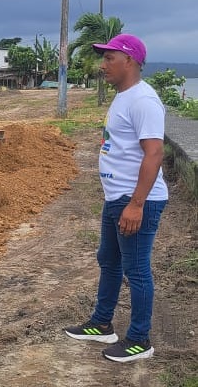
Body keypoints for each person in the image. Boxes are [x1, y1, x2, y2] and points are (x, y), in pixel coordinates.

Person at [64, 33, 168, 362]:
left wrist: (136, 205)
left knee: (136, 269)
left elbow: (154, 154)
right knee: (108, 260)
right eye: (104, 58)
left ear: (130, 61)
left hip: (136, 201)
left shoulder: (143, 100)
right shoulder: (124, 96)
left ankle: (139, 339)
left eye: (110, 58)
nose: (103, 64)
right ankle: (101, 323)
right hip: (118, 197)